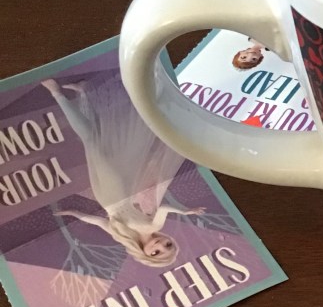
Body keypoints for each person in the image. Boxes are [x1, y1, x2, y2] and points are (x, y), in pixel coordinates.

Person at [42, 77, 204, 267]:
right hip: (118, 192)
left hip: (104, 198)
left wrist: (73, 213)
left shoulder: (123, 236)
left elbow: (98, 222)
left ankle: (83, 94)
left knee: (95, 141)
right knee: (93, 142)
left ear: (145, 254)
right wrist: (185, 212)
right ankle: (58, 93)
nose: (160, 244)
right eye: (168, 245)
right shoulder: (153, 226)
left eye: (156, 252)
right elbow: (164, 209)